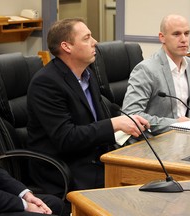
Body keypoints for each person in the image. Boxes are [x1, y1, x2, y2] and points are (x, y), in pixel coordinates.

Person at [26, 17, 149, 204]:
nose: (95, 42)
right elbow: (66, 138)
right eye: (87, 38)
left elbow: (98, 120)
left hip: (96, 158)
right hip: (65, 168)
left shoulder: (87, 74)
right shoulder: (46, 83)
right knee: (135, 194)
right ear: (67, 47)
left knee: (149, 177)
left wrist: (127, 121)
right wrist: (114, 125)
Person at [122, 14, 190, 135]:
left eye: (186, 33)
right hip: (155, 139)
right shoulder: (146, 70)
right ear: (162, 37)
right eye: (176, 34)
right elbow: (131, 114)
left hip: (185, 136)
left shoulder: (189, 64)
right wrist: (175, 124)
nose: (184, 39)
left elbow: (187, 104)